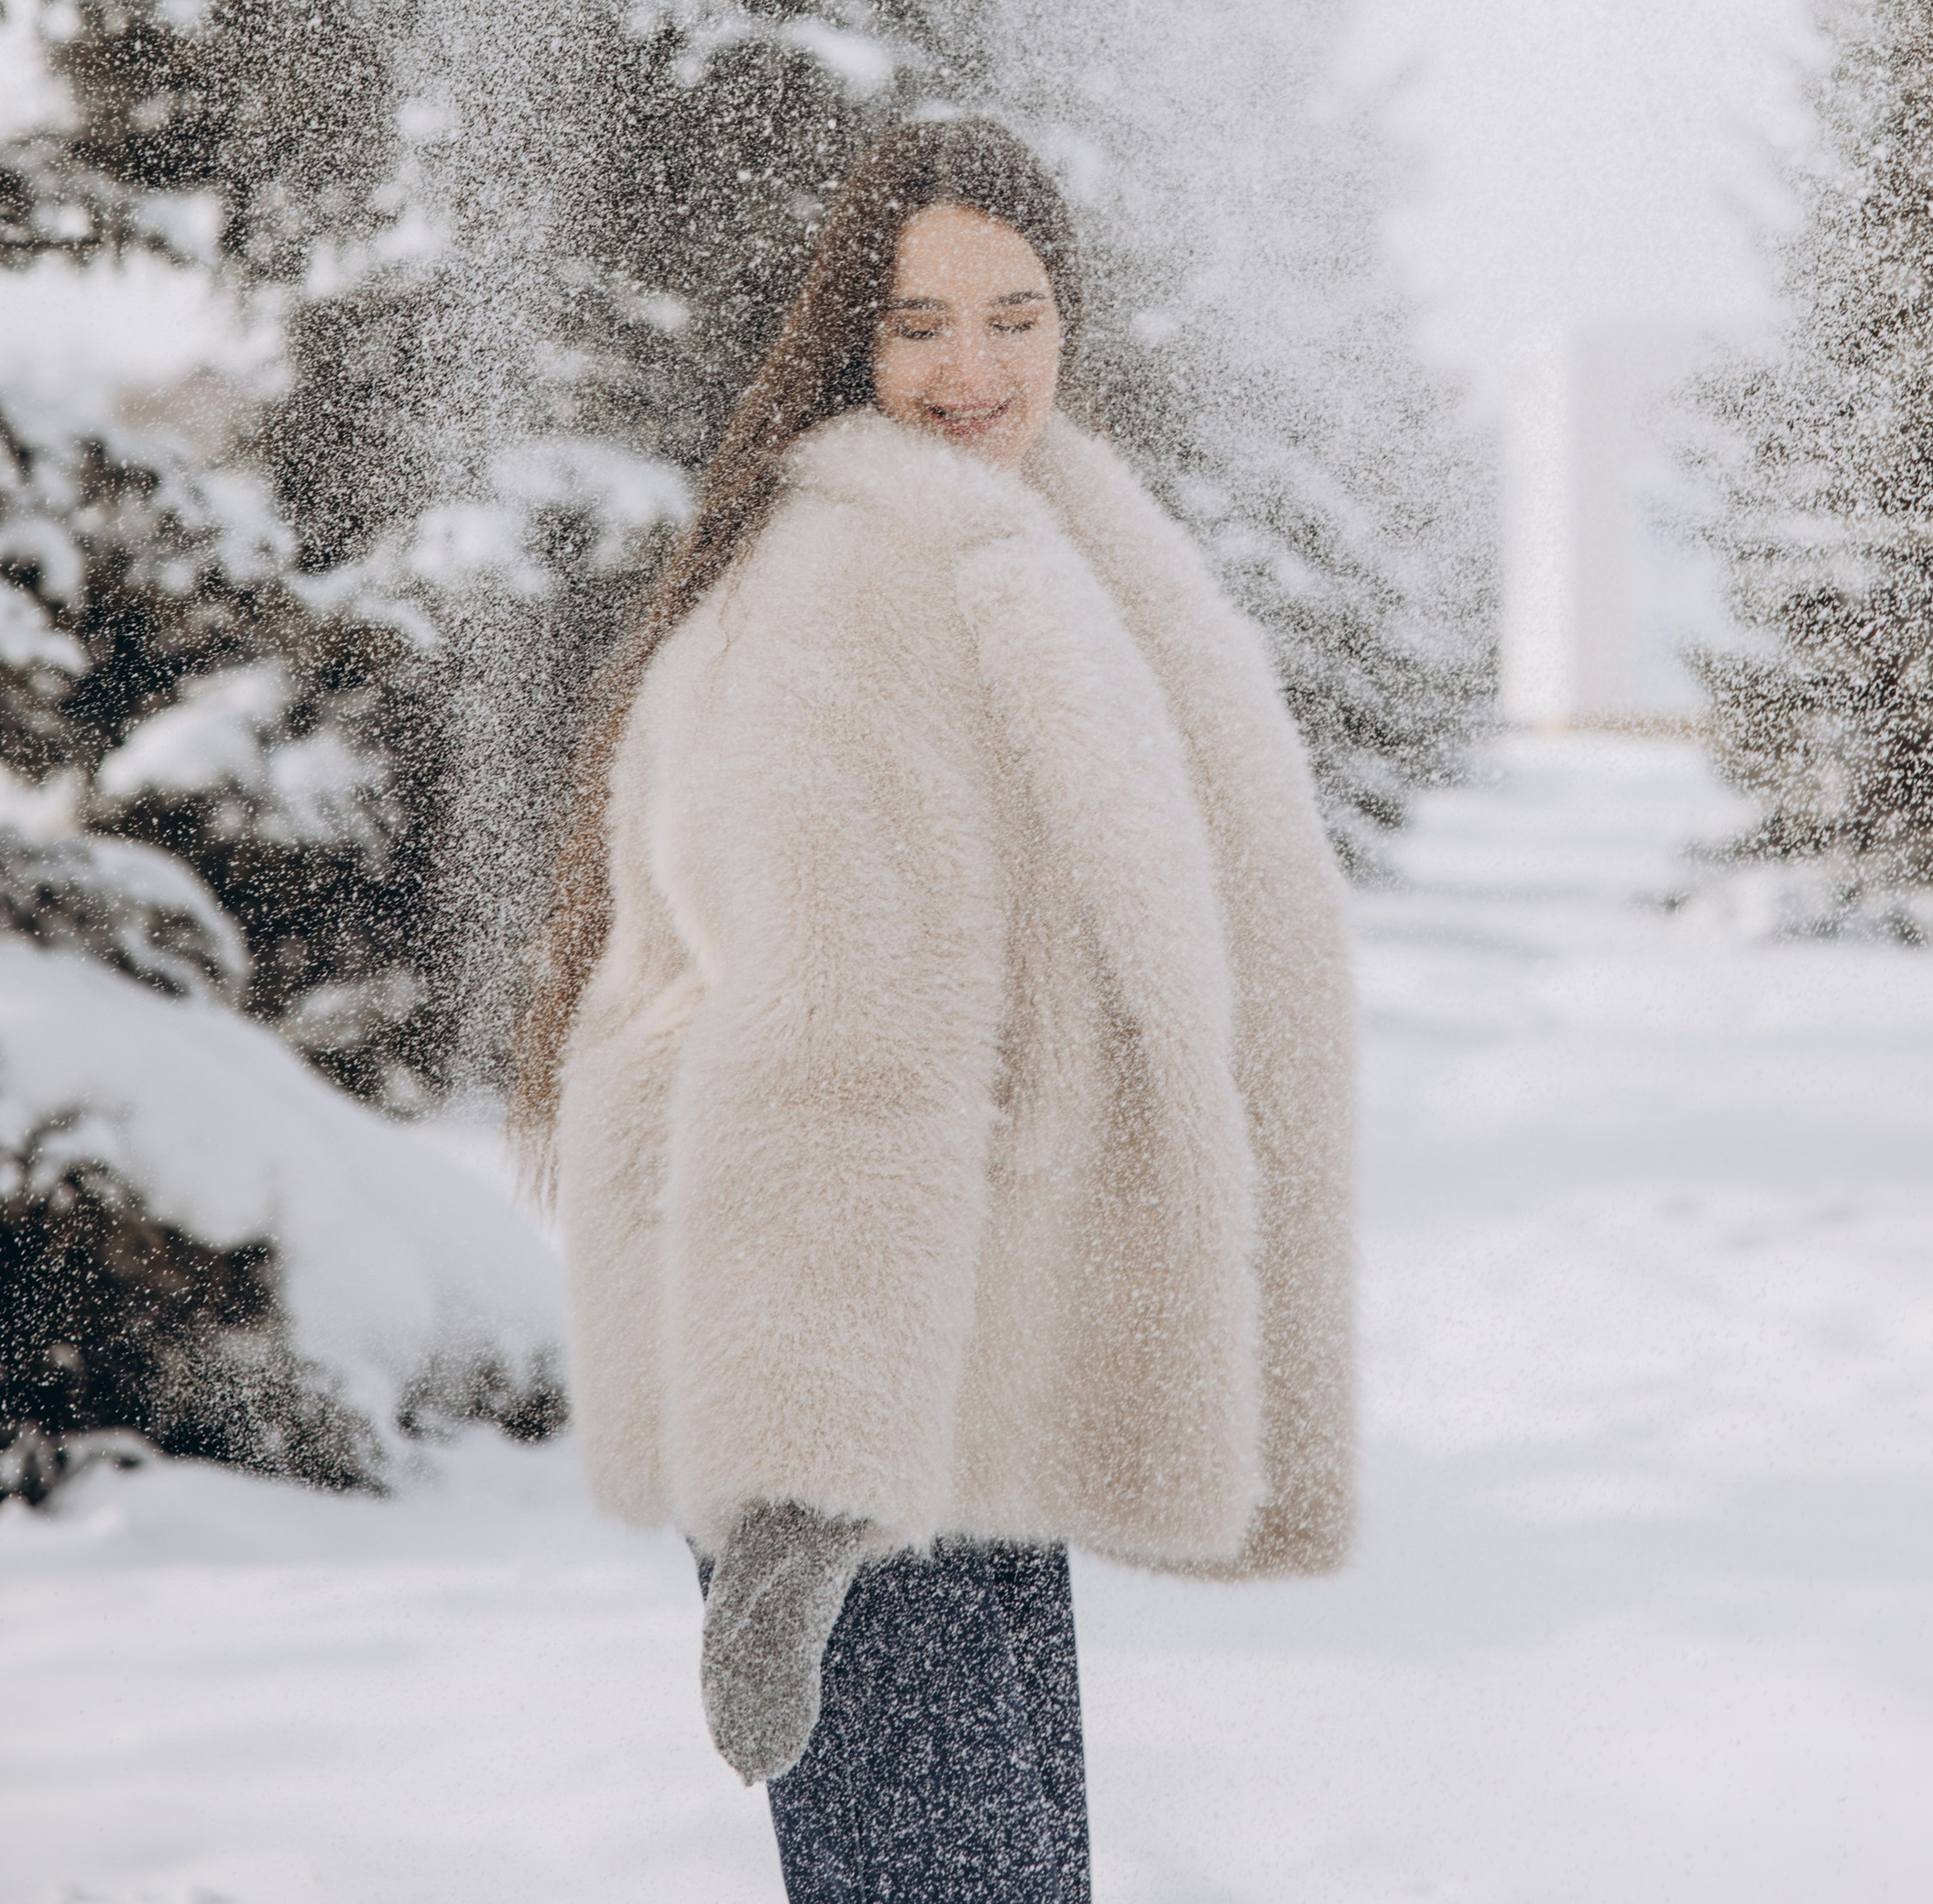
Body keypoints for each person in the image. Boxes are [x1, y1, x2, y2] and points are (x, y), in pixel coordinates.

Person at [510, 115, 1357, 1901]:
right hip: (850, 1435)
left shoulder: (1029, 552)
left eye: (1015, 313)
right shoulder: (857, 586)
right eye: (915, 324)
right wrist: (804, 1499)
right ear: (848, 340)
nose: (971, 368)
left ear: (1070, 324)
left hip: (950, 1401)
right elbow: (830, 1041)